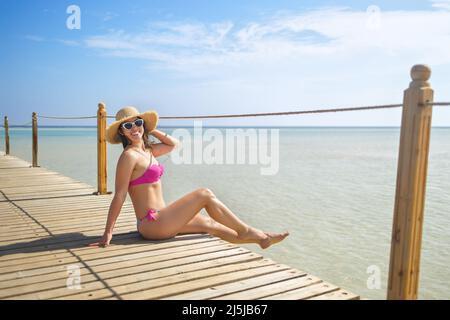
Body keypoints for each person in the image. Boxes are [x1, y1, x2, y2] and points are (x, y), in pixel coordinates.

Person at [89, 106, 289, 249]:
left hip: (164, 217)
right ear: (122, 132)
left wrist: (150, 129)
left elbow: (174, 144)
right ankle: (247, 231)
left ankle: (261, 239)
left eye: (138, 123)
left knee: (211, 225)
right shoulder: (129, 156)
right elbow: (120, 195)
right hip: (152, 224)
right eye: (128, 126)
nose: (134, 128)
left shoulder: (148, 152)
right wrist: (108, 232)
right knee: (204, 194)